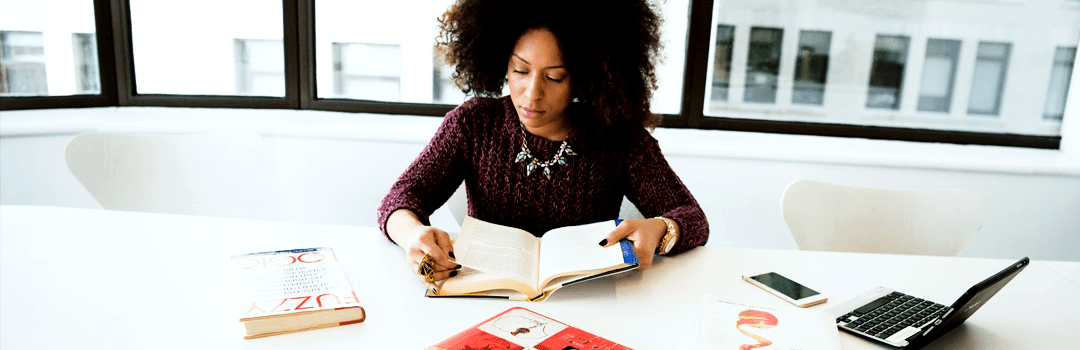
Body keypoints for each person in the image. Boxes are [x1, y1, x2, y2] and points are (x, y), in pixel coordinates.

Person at [377, 0, 709, 290]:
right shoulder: (473, 124)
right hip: (485, 298)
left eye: (554, 77)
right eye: (520, 70)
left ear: (586, 76)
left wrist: (659, 230)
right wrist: (411, 235)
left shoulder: (619, 138)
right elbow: (400, 199)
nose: (532, 93)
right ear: (501, 61)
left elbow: (692, 218)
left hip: (588, 301)